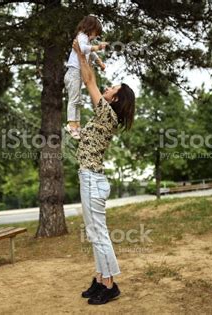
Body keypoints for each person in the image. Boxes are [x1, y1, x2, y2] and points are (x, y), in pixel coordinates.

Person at [72, 38, 136, 305]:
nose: (107, 88)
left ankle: (110, 285)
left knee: (99, 234)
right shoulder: (104, 116)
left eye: (112, 88)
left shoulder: (107, 114)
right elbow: (94, 82)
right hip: (91, 178)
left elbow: (89, 82)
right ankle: (100, 278)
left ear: (115, 98)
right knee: (94, 232)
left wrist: (81, 55)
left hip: (92, 179)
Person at [64, 15, 107, 140]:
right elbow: (83, 49)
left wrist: (99, 62)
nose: (95, 37)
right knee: (74, 99)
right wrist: (98, 47)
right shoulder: (81, 36)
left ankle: (76, 126)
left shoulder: (86, 40)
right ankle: (71, 125)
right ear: (90, 28)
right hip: (73, 72)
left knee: (78, 100)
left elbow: (90, 52)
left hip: (77, 74)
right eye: (95, 33)